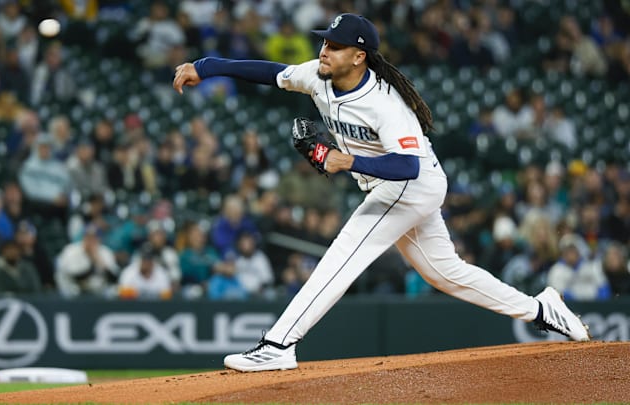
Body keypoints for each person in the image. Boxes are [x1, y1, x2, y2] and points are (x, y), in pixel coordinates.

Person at [173, 13, 591, 372]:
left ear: (359, 56)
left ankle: (279, 345)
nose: (324, 50)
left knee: (344, 253)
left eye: (335, 46)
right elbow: (269, 72)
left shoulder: (387, 105)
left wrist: (346, 161)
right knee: (445, 273)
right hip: (393, 185)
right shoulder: (319, 77)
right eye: (324, 42)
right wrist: (206, 66)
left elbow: (406, 166)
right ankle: (542, 309)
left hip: (411, 185)